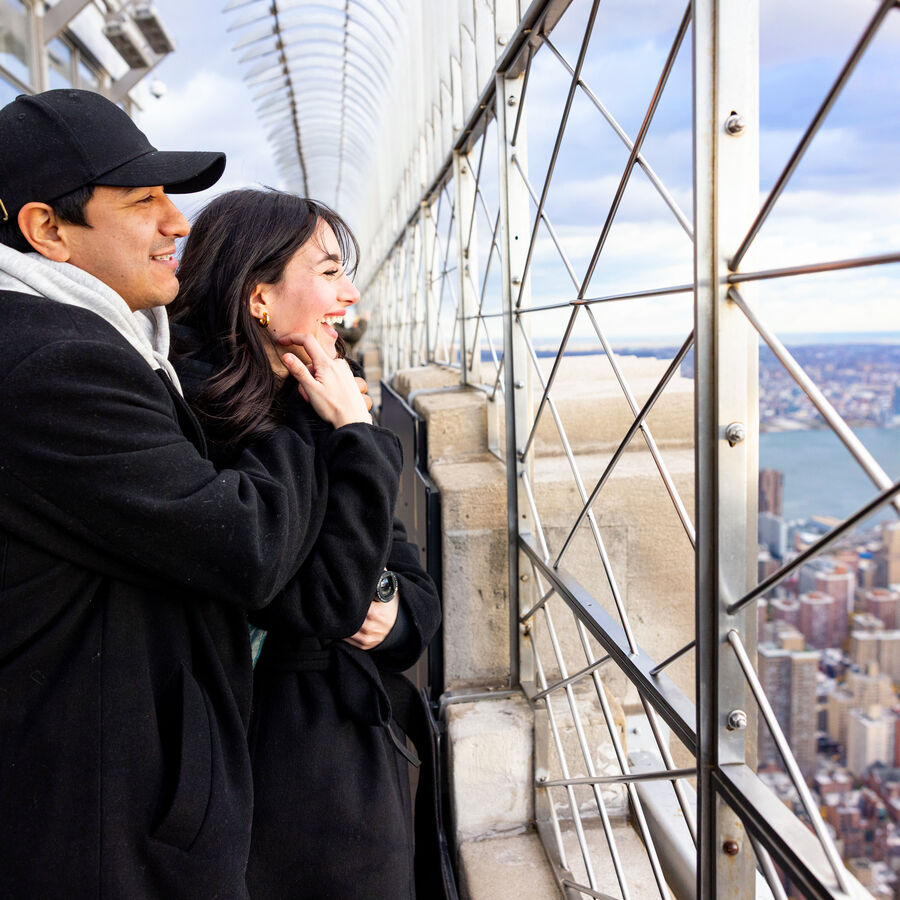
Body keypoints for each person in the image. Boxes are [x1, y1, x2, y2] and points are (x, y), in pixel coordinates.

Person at [0, 90, 398, 898]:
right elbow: (245, 548)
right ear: (47, 230)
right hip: (102, 826)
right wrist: (329, 423)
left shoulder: (110, 348)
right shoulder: (55, 365)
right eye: (144, 200)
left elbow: (379, 565)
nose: (176, 221)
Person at [168, 188, 443, 900]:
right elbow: (322, 597)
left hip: (346, 748)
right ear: (259, 297)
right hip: (274, 769)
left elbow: (406, 573)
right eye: (327, 271)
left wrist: (395, 613)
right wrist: (357, 436)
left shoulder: (314, 391)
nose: (349, 292)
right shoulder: (194, 418)